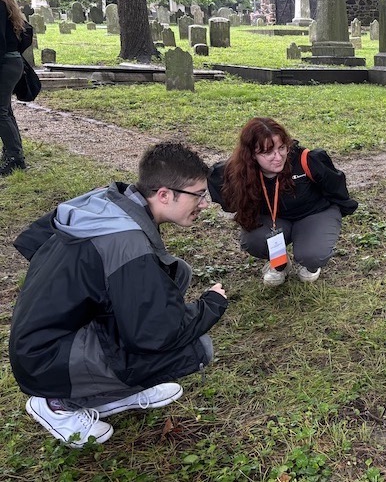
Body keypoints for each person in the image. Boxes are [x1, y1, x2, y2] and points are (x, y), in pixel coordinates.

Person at [9, 142, 228, 448]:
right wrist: (211, 305)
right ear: (164, 194)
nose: (205, 204)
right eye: (199, 195)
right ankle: (57, 404)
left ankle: (114, 395)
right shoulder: (128, 241)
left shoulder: (111, 199)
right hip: (46, 359)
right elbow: (156, 334)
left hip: (46, 338)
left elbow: (34, 241)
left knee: (176, 272)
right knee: (195, 349)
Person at [208, 117, 357, 287]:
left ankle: (309, 262)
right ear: (251, 155)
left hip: (315, 213)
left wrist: (334, 217)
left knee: (313, 254)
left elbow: (336, 188)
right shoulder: (238, 171)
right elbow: (220, 189)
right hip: (274, 219)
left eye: (282, 148)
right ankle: (280, 263)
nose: (278, 157)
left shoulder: (307, 160)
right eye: (267, 152)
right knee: (253, 241)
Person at [0, 0, 26, 176]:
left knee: (0, 112)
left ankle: (15, 158)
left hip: (5, 63)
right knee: (5, 110)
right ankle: (13, 152)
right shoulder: (4, 1)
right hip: (11, 60)